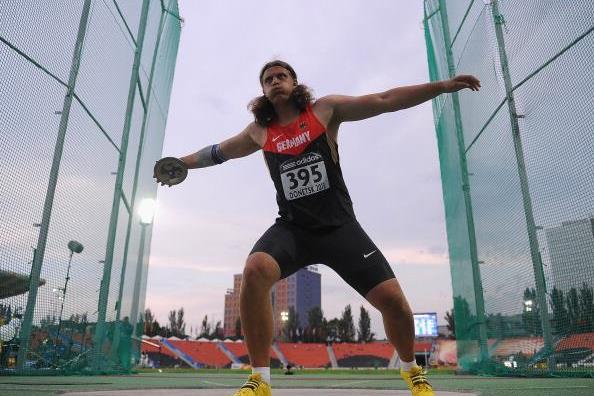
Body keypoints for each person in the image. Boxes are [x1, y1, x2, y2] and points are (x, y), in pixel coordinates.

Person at [155, 60, 480, 396]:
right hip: (293, 230)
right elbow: (217, 152)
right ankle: (260, 380)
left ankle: (412, 371)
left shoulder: (325, 110)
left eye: (282, 76)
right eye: (268, 80)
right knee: (255, 269)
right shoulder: (259, 132)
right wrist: (181, 164)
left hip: (340, 229)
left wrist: (440, 87)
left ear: (296, 83)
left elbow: (385, 100)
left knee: (394, 303)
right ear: (263, 91)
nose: (275, 82)